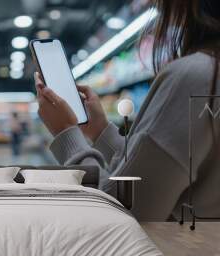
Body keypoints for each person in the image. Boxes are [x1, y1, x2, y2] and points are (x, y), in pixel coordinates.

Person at [34, 0, 220, 221]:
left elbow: (122, 212)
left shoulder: (196, 76)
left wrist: (66, 134)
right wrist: (101, 131)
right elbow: (155, 170)